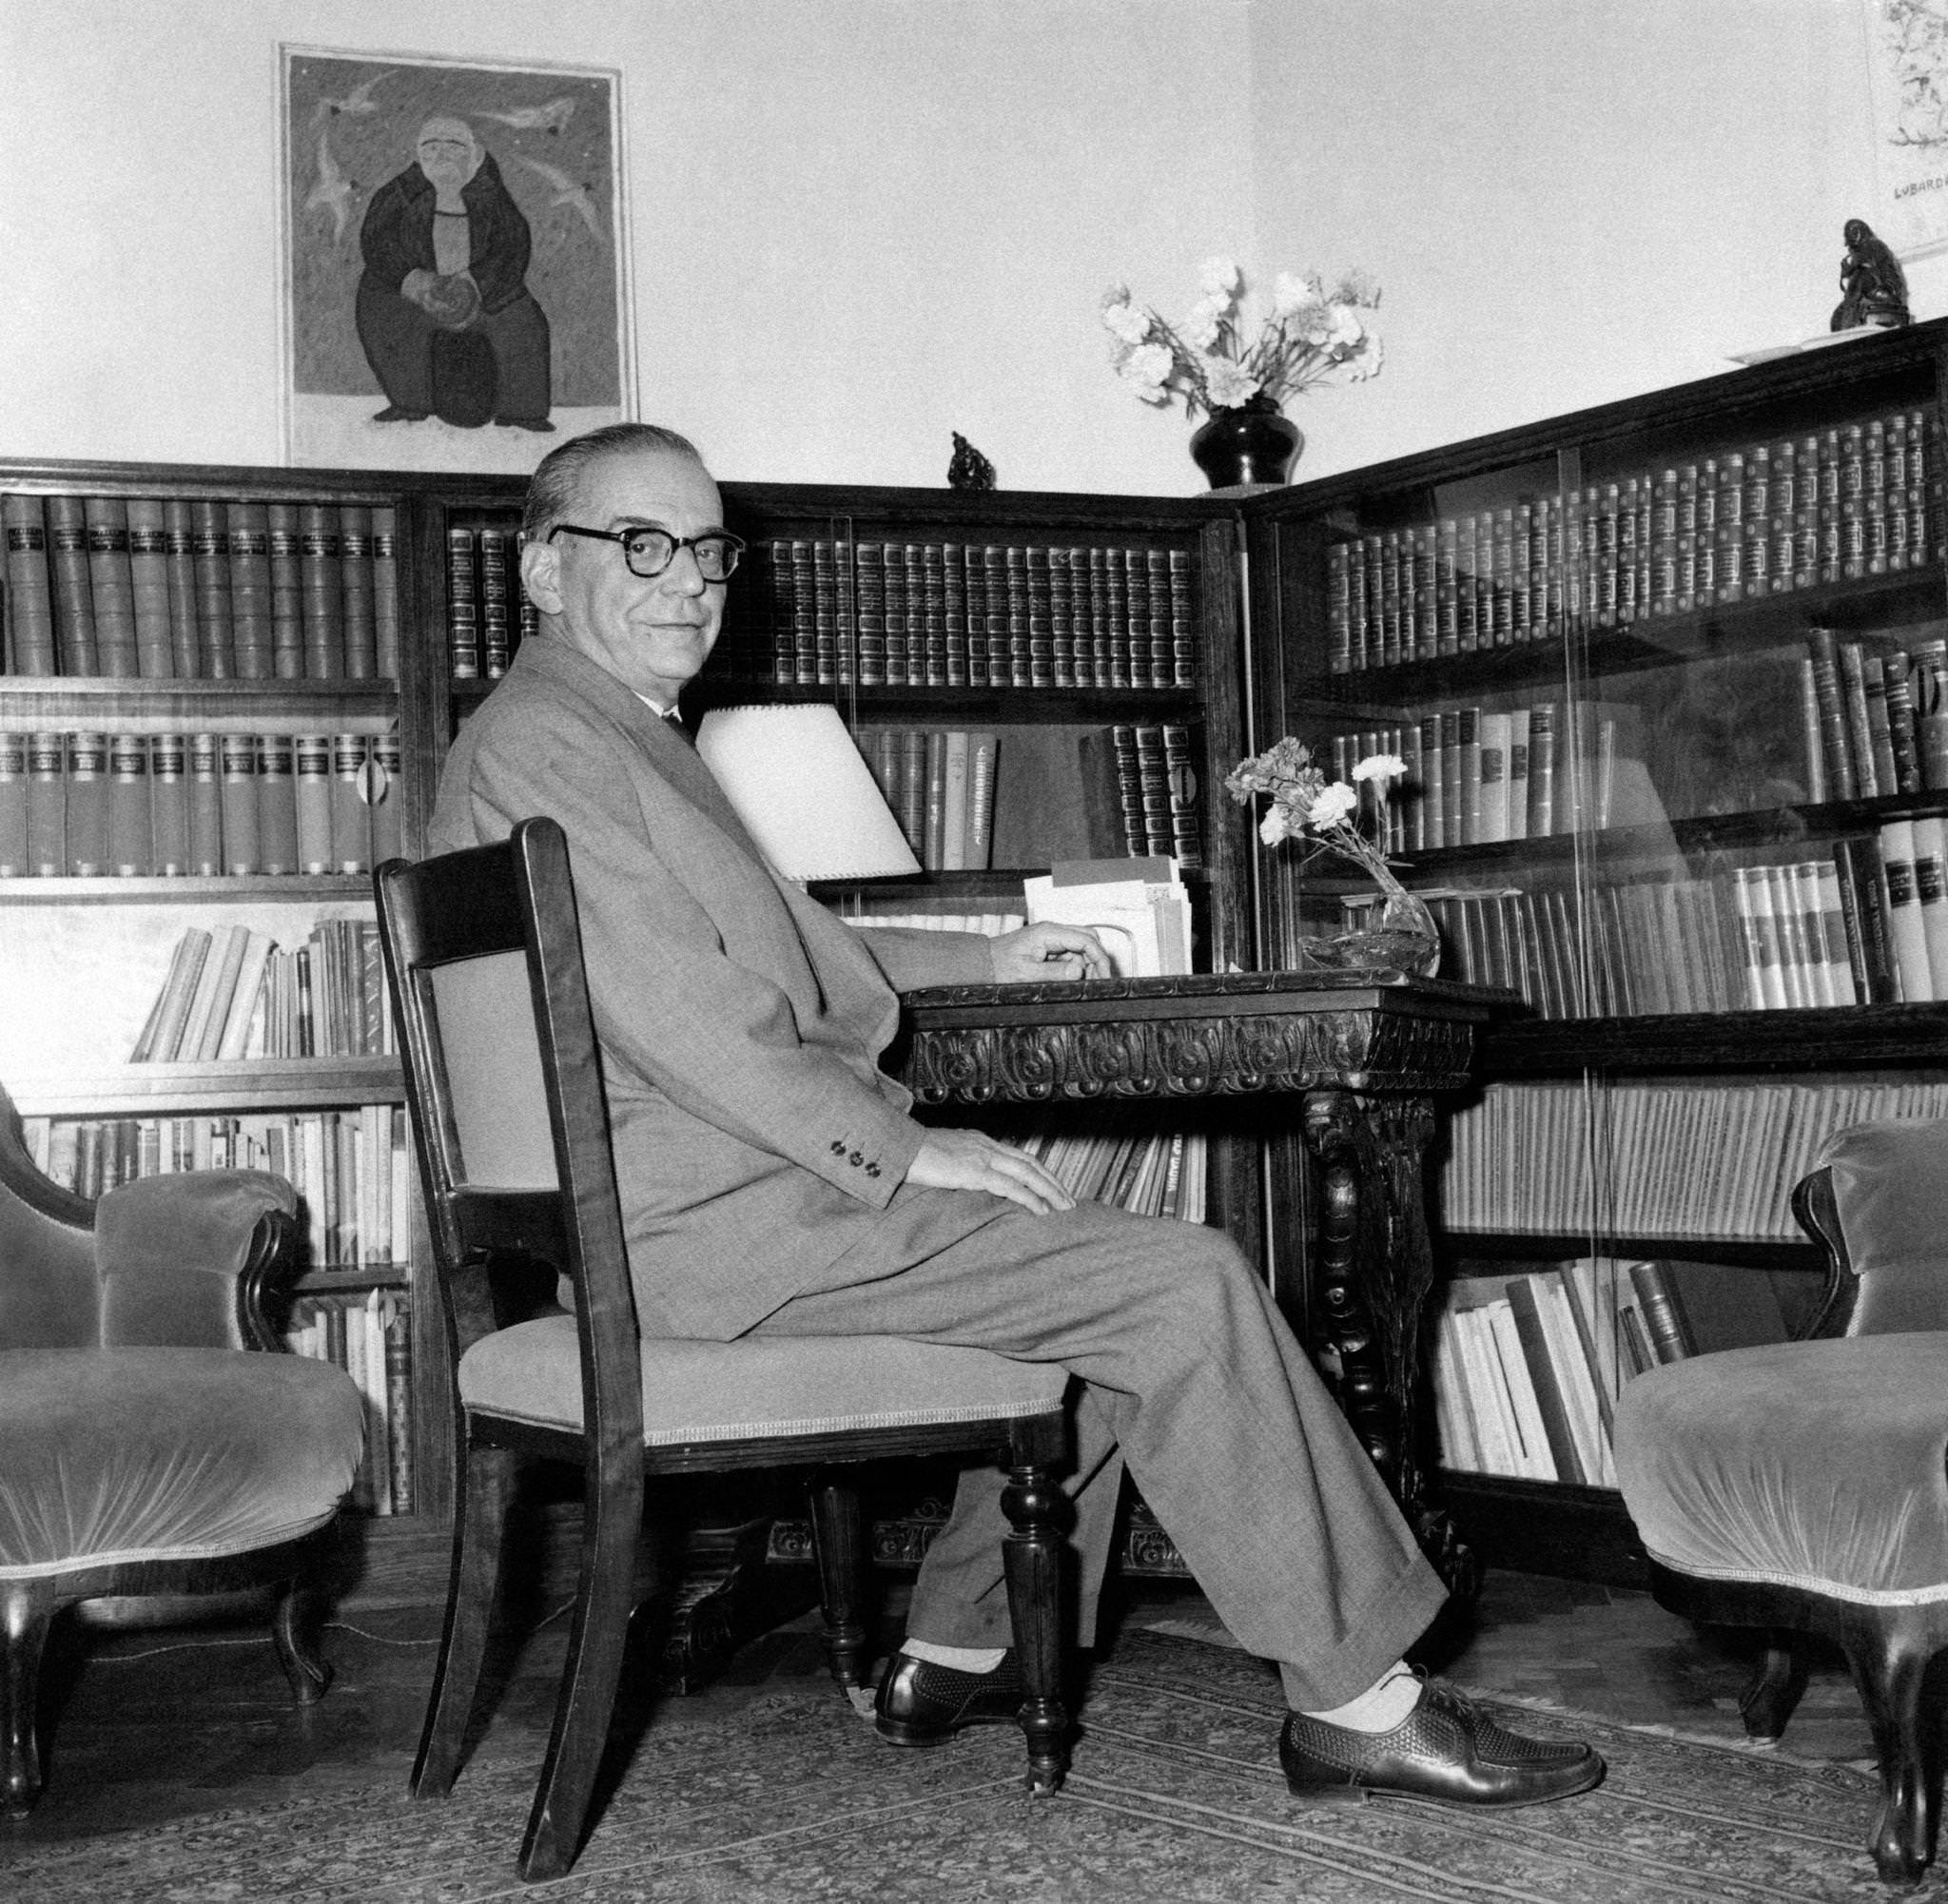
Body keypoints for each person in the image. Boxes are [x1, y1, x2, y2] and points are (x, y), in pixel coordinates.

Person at [427, 422, 1604, 1808]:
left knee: (1093, 1264)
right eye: (641, 543)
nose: (687, 578)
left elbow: (780, 952)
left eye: (706, 547)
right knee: (1182, 1284)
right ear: (541, 569)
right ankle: (1356, 1700)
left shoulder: (595, 735)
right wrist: (908, 1144)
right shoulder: (555, 746)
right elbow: (694, 1017)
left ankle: (964, 1638)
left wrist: (986, 957)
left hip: (713, 1214)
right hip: (717, 1235)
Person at [356, 116, 554, 431]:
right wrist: (415, 281)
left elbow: (511, 248)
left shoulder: (492, 198)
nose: (442, 155)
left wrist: (474, 282)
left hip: (481, 290)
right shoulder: (398, 195)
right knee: (383, 310)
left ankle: (521, 412)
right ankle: (409, 404)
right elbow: (378, 242)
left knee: (523, 324)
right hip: (417, 292)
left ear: (475, 155)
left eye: (454, 147)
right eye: (431, 148)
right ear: (418, 156)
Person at [1833, 219, 1911, 332]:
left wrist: (1852, 269)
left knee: (1861, 277)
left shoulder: (1874, 245)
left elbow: (1871, 268)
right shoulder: (1858, 251)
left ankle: (1851, 309)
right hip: (1869, 291)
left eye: (1851, 236)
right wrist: (1848, 271)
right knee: (1840, 313)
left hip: (1885, 289)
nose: (1849, 243)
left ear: (1858, 234)